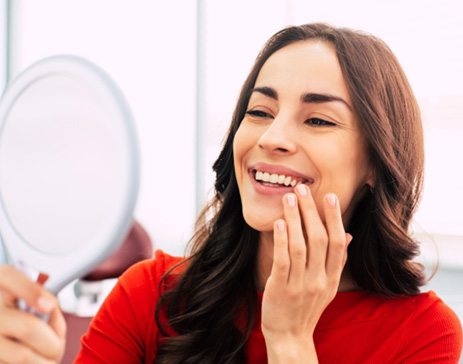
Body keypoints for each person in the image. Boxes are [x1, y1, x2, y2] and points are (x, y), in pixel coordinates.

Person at [0, 23, 462, 364]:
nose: (272, 137)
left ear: (375, 166)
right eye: (260, 111)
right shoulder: (148, 295)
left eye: (318, 120)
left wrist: (290, 342)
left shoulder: (425, 336)